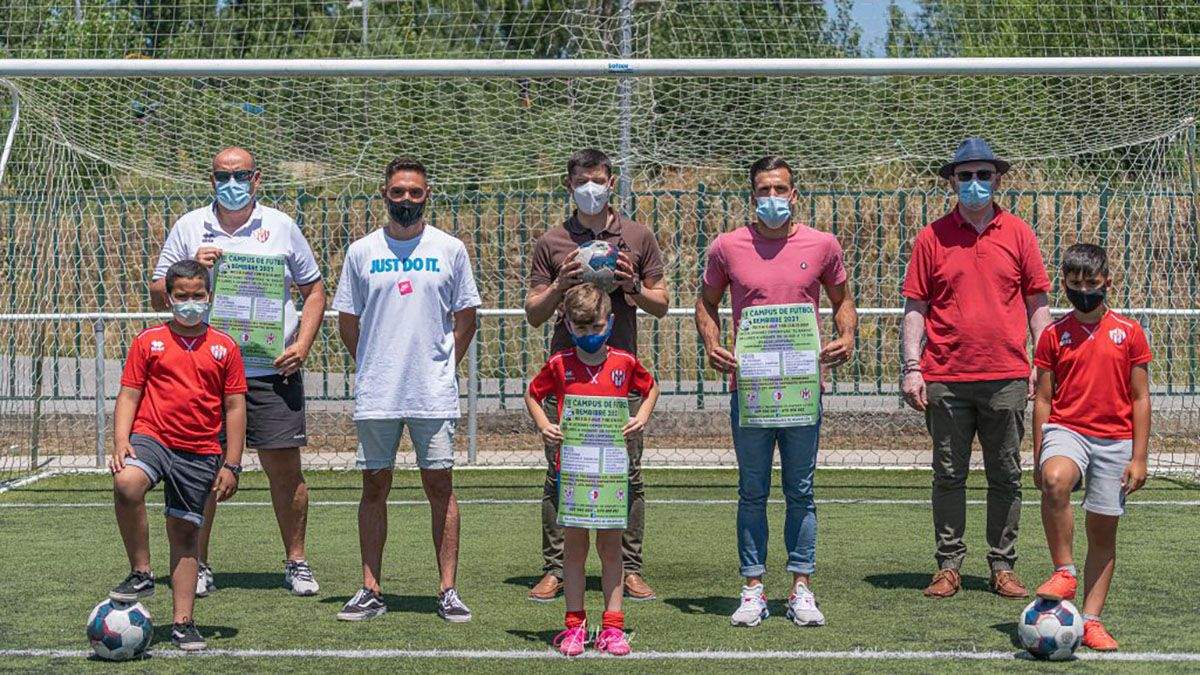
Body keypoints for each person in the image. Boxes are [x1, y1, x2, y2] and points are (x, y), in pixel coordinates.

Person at [150, 147, 326, 597]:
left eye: (241, 174)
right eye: (223, 175)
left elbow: (315, 290)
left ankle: (297, 562)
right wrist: (191, 268)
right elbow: (156, 293)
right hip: (205, 371)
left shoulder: (281, 226)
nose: (233, 182)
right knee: (202, 470)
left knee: (284, 470)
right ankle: (199, 563)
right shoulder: (189, 226)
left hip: (271, 368)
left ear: (257, 178)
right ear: (212, 180)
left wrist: (301, 345)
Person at [695, 155, 857, 628]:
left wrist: (846, 334)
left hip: (804, 388)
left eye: (780, 189)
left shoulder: (822, 244)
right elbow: (704, 305)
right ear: (751, 195)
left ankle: (801, 587)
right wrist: (712, 342)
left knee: (801, 490)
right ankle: (752, 587)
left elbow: (842, 299)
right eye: (763, 190)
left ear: (794, 194)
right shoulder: (727, 247)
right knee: (752, 491)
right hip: (751, 389)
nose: (772, 198)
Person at [901, 137, 1053, 600]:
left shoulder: (1019, 233)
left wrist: (1041, 363)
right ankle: (948, 565)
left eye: (983, 175)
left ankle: (1002, 566)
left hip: (1006, 376)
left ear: (997, 179)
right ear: (952, 180)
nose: (974, 184)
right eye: (965, 176)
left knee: (1006, 474)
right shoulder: (932, 237)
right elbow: (915, 307)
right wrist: (912, 366)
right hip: (946, 377)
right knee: (948, 474)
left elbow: (1037, 304)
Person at [332, 157, 481, 623]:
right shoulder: (360, 251)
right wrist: (377, 363)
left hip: (432, 393)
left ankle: (447, 590)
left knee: (440, 486)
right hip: (378, 393)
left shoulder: (450, 248)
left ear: (427, 193)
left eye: (414, 192)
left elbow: (466, 317)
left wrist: (440, 365)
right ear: (384, 194)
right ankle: (371, 588)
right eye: (398, 192)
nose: (406, 200)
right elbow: (347, 322)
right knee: (374, 485)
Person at [524, 148, 669, 602]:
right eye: (583, 181)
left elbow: (661, 304)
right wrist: (559, 287)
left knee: (627, 473)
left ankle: (628, 567)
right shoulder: (552, 242)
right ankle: (554, 567)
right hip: (566, 376)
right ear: (570, 186)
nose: (592, 188)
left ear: (612, 182)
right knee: (559, 473)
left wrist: (633, 288)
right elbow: (533, 312)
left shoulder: (637, 236)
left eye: (599, 180)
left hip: (618, 377)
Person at [108, 260, 247, 651]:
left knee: (184, 532)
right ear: (169, 298)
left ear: (209, 297)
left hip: (200, 450)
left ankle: (183, 622)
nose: (190, 303)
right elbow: (130, 394)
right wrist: (122, 439)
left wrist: (232, 463)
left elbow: (235, 408)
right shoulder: (148, 340)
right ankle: (141, 572)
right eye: (181, 296)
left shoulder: (225, 347)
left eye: (197, 296)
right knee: (127, 483)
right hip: (152, 438)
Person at [525, 283, 660, 656]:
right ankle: (574, 627)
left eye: (596, 327)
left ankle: (613, 628)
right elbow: (533, 394)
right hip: (574, 473)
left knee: (611, 549)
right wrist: (544, 424)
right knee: (574, 550)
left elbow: (650, 388)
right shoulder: (559, 364)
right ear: (567, 324)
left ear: (610, 322)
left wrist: (641, 417)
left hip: (611, 473)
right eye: (581, 328)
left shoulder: (624, 362)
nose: (589, 335)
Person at [1031, 243, 1151, 652]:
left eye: (1092, 283)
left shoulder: (1129, 332)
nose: (1084, 290)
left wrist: (1139, 457)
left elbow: (1140, 398)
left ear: (1107, 284)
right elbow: (1044, 399)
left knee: (1103, 532)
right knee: (1054, 478)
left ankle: (1092, 620)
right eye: (1075, 283)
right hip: (1068, 430)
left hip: (1115, 441)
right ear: (1064, 284)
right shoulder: (1053, 335)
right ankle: (1063, 571)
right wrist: (1038, 454)